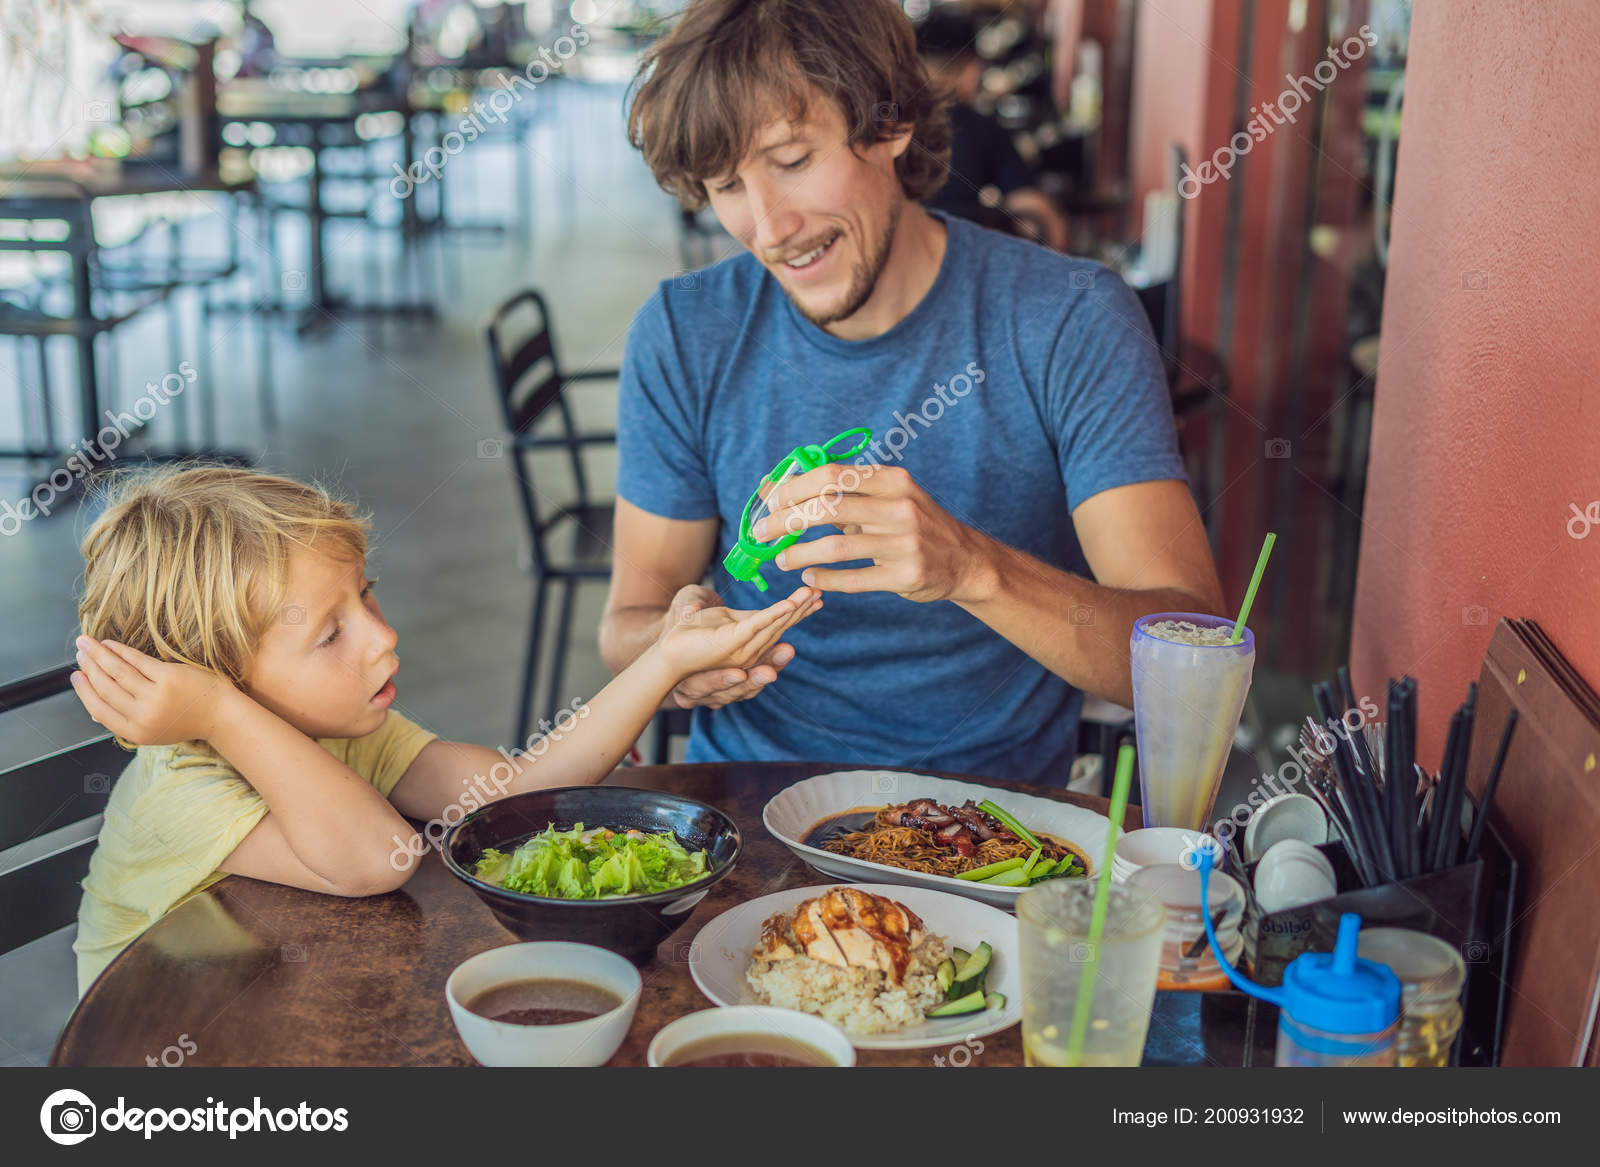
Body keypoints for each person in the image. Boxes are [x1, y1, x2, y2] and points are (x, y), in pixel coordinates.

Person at [603, 0, 1223, 786]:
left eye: (793, 160)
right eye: (727, 185)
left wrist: (971, 567)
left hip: (987, 822)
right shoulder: (683, 330)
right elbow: (627, 621)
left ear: (889, 123)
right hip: (749, 808)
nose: (769, 226)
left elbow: (1192, 659)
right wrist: (672, 655)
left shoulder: (1067, 318)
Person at [68, 464, 818, 994]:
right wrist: (221, 713)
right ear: (212, 684)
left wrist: (662, 662)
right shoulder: (179, 787)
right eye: (330, 634)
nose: (381, 637)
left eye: (367, 595)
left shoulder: (341, 731)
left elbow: (515, 797)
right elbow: (380, 856)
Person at [916, 5, 1070, 251]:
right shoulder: (979, 126)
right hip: (964, 265)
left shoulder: (884, 125)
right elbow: (1044, 223)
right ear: (971, 70)